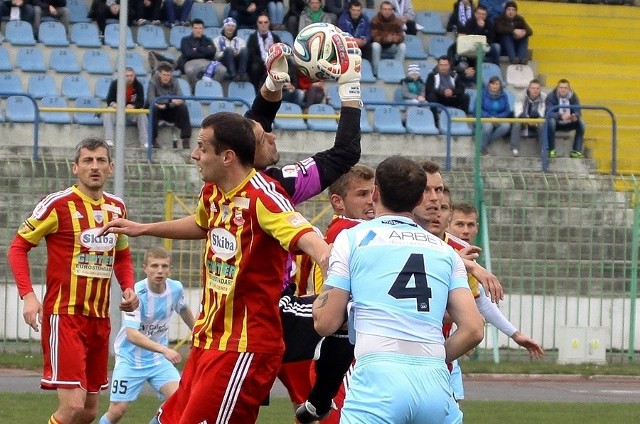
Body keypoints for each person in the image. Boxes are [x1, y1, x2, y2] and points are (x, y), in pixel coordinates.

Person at [99, 111, 331, 424]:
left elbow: (313, 244)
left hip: (244, 347)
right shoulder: (213, 192)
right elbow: (200, 223)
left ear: (227, 157)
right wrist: (142, 228)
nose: (194, 154)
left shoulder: (264, 198)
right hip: (208, 340)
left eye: (202, 148)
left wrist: (333, 290)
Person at [312, 155, 485, 424]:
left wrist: (328, 276)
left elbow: (325, 323)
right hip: (434, 384)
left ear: (375, 193)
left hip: (378, 377)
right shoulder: (446, 251)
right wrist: (436, 358)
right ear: (418, 201)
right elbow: (474, 328)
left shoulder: (352, 239)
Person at [248, 39, 362, 420]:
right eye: (267, 136)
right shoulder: (277, 186)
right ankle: (320, 401)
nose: (273, 134)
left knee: (225, 408)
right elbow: (346, 153)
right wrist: (350, 88)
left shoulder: (227, 183)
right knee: (344, 316)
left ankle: (316, 403)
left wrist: (273, 85)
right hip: (266, 310)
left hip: (247, 311)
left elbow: (252, 126)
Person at [7, 137, 139, 424]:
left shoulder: (117, 208)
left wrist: (128, 286)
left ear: (111, 167)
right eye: (88, 161)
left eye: (101, 160)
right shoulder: (57, 205)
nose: (95, 167)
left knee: (90, 411)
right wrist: (28, 295)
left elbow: (123, 256)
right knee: (73, 407)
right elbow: (17, 247)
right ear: (75, 168)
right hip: (65, 316)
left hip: (99, 319)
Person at [296, 164, 375, 424]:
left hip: (342, 345)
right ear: (338, 202)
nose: (371, 201)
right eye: (362, 195)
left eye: (373, 193)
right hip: (341, 346)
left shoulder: (345, 232)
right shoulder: (349, 233)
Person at [98, 246, 195, 424]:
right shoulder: (134, 294)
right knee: (117, 411)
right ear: (145, 268)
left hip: (158, 361)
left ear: (170, 269)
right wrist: (164, 350)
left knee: (181, 401)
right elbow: (132, 334)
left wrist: (198, 333)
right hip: (130, 358)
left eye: (164, 266)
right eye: (154, 266)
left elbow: (184, 309)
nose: (160, 271)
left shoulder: (175, 289)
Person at [146, 61, 192, 149]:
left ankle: (186, 139)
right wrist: (169, 100)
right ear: (159, 74)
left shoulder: (174, 81)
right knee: (153, 109)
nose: (166, 77)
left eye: (168, 75)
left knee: (183, 108)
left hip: (169, 109)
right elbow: (151, 99)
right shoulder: (152, 82)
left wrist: (167, 104)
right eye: (164, 75)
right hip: (157, 109)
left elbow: (180, 98)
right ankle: (153, 140)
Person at [103, 67, 148, 148]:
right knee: (108, 111)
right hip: (117, 110)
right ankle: (108, 140)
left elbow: (141, 102)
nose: (129, 78)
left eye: (131, 75)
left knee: (142, 113)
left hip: (131, 111)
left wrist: (134, 106)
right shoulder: (115, 84)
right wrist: (114, 105)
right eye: (127, 76)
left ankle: (145, 142)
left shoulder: (138, 85)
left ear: (134, 76)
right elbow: (109, 100)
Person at [178, 18, 226, 89]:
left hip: (208, 62)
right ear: (192, 29)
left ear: (203, 29)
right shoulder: (185, 40)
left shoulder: (208, 39)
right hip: (190, 62)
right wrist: (205, 51)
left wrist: (197, 49)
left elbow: (212, 52)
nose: (198, 30)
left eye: (200, 28)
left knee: (223, 70)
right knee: (189, 71)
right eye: (196, 28)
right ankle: (197, 88)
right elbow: (188, 54)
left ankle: (212, 87)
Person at [545, 78, 586, 159]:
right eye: (561, 88)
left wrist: (575, 116)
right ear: (557, 88)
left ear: (569, 89)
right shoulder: (551, 96)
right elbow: (548, 112)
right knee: (551, 122)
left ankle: (576, 151)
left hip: (569, 121)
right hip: (556, 122)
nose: (563, 90)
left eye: (565, 88)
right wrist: (560, 116)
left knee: (582, 123)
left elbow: (578, 110)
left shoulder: (574, 96)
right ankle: (551, 150)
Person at [246, 13, 283, 92]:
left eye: (265, 22)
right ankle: (255, 91)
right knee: (255, 67)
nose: (263, 24)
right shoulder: (252, 37)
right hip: (258, 63)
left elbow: (280, 52)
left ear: (269, 23)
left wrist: (271, 62)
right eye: (260, 22)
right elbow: (251, 54)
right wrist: (263, 61)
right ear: (257, 24)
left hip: (273, 64)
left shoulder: (275, 37)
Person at [510, 78, 545, 157]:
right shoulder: (520, 96)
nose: (535, 90)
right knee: (516, 123)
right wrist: (527, 119)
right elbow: (518, 112)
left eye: (537, 88)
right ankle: (515, 148)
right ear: (529, 89)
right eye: (533, 88)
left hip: (537, 120)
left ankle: (543, 149)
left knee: (542, 124)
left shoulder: (544, 97)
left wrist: (536, 122)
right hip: (523, 119)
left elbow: (542, 112)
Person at [370, 0, 406, 76]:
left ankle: (397, 70)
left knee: (403, 46)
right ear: (381, 10)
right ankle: (376, 72)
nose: (387, 11)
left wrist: (397, 39)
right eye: (385, 9)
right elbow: (373, 36)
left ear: (392, 11)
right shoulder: (375, 20)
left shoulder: (396, 21)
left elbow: (401, 35)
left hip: (391, 46)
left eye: (389, 9)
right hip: (380, 46)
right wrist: (385, 39)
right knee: (375, 46)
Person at [480, 75, 512, 156]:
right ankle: (483, 148)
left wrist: (498, 117)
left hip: (498, 118)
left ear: (500, 85)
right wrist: (488, 117)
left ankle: (486, 140)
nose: (495, 86)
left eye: (497, 84)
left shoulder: (504, 95)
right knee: (488, 126)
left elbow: (507, 111)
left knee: (506, 126)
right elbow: (477, 109)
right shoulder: (482, 94)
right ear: (489, 85)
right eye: (493, 84)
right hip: (485, 118)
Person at [213, 17, 249, 81]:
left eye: (232, 26)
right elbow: (216, 55)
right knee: (229, 49)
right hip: (223, 62)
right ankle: (234, 75)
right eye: (228, 25)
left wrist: (237, 53)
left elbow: (244, 55)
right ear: (224, 27)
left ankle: (241, 74)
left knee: (244, 50)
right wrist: (228, 53)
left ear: (235, 28)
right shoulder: (216, 40)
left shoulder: (241, 41)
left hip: (236, 61)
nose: (230, 28)